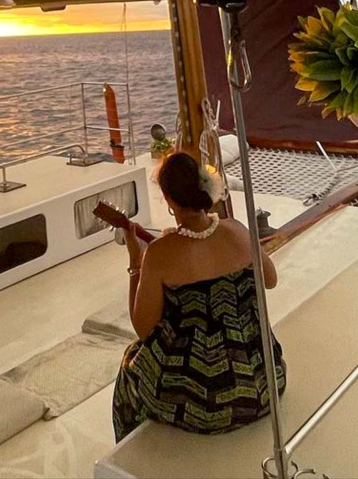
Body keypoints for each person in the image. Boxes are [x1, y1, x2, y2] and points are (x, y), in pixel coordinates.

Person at [112, 151, 286, 440]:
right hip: (264, 382)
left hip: (202, 405)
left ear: (169, 200)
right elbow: (271, 280)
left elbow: (144, 330)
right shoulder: (238, 231)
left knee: (132, 361)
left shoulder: (159, 253)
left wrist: (136, 262)